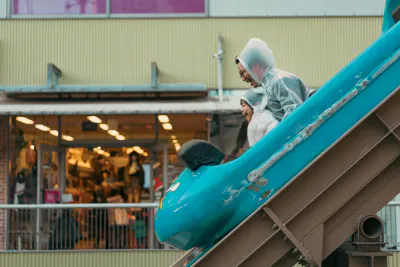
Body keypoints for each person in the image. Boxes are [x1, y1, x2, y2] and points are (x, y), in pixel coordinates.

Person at [235, 38, 310, 122]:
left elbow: (295, 115)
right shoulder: (267, 84)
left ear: (254, 66)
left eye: (242, 72)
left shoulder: (280, 80)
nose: (243, 78)